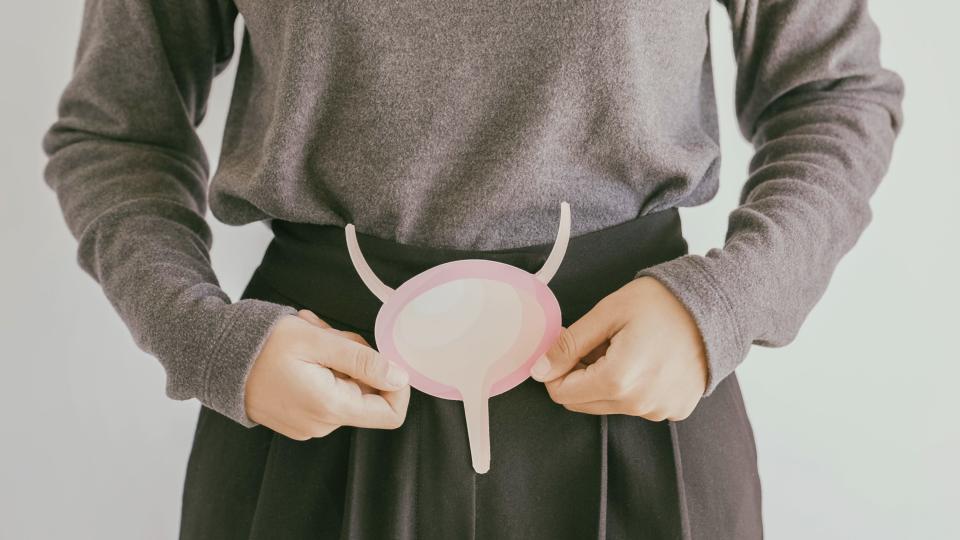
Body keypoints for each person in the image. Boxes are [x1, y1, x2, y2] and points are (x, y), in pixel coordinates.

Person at [42, 0, 904, 538]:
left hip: (639, 399)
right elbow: (117, 134)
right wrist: (202, 336)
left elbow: (835, 94)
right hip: (315, 403)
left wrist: (721, 304)